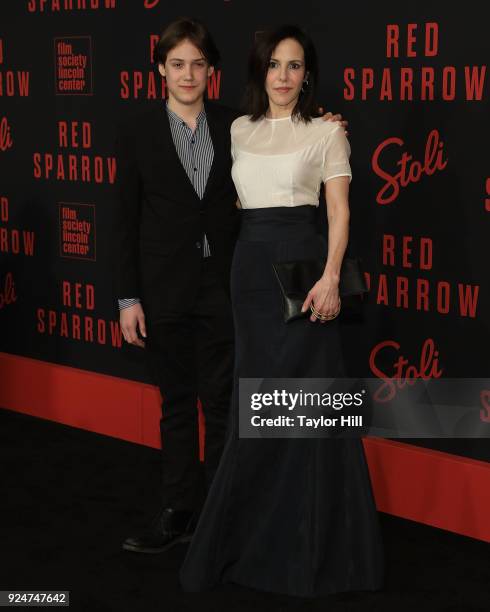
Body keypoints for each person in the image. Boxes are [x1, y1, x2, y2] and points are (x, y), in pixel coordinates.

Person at [113, 18, 348, 555]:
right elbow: (122, 221)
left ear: (212, 72)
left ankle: (221, 511)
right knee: (175, 404)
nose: (188, 74)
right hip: (165, 290)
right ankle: (178, 511)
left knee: (226, 403)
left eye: (198, 64)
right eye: (177, 64)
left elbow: (292, 139)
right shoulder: (134, 130)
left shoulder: (236, 125)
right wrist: (128, 298)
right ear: (160, 71)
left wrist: (326, 122)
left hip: (228, 287)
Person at [179, 25, 384, 597]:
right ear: (259, 71)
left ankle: (318, 549)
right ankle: (249, 541)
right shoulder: (238, 129)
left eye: (295, 66)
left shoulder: (326, 132)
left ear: (307, 74)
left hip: (305, 273)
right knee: (259, 402)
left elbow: (339, 213)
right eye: (275, 64)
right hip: (249, 274)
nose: (284, 76)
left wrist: (330, 280)